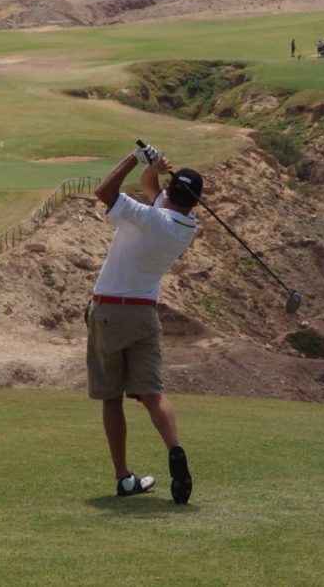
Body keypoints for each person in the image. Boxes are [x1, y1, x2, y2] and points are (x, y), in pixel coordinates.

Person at [87, 142, 202, 504]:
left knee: (111, 398)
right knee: (153, 394)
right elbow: (151, 187)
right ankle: (175, 449)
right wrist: (156, 166)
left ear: (169, 193)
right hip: (144, 315)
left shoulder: (149, 217)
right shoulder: (185, 226)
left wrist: (136, 158)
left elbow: (104, 192)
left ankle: (124, 478)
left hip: (108, 309)